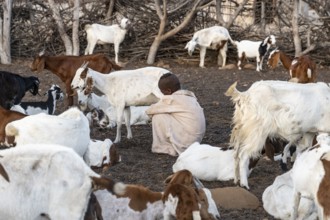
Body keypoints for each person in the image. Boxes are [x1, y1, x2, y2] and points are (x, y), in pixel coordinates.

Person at [145, 73, 206, 156]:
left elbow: (150, 110)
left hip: (187, 143)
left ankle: (163, 148)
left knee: (158, 116)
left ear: (168, 91)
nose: (162, 95)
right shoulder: (189, 97)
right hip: (196, 141)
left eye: (163, 92)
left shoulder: (172, 99)